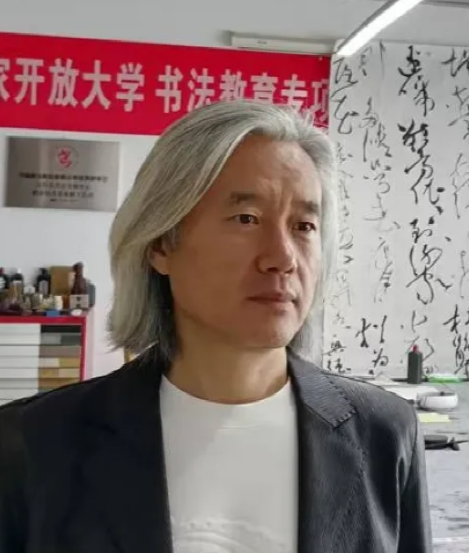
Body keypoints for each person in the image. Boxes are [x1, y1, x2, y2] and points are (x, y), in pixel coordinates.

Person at [0, 100, 432, 553]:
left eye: (304, 226)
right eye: (247, 219)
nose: (283, 257)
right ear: (161, 243)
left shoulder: (383, 432)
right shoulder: (34, 443)